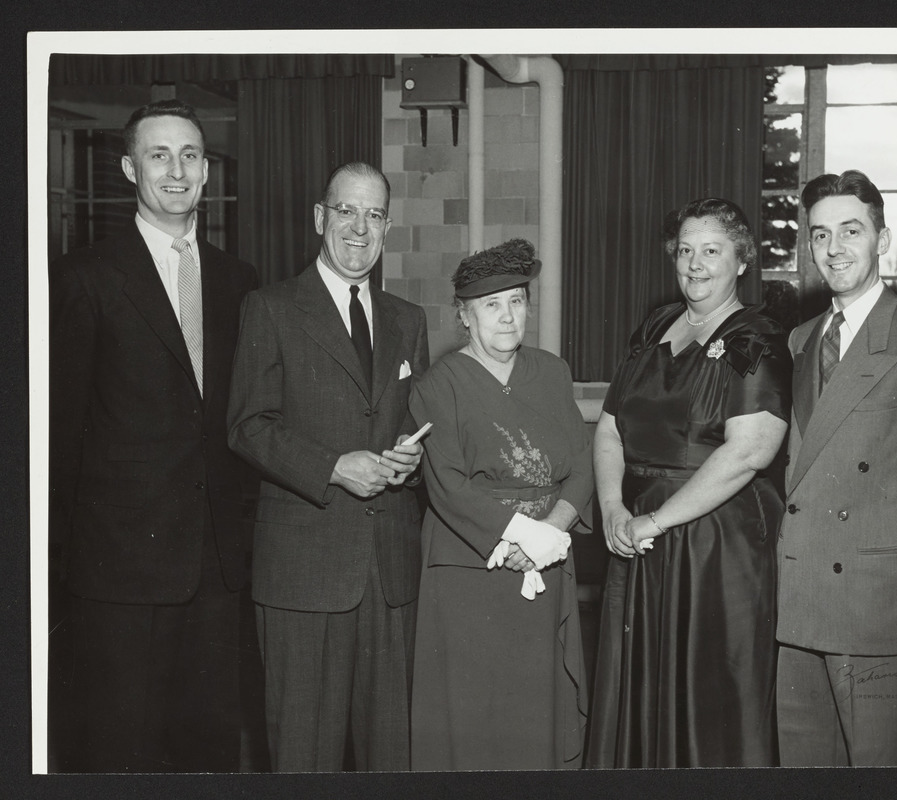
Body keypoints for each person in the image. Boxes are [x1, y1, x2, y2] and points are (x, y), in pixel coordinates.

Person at [48, 99, 259, 772]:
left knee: (209, 754)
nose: (177, 170)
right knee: (118, 753)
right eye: (159, 155)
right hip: (119, 574)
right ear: (127, 169)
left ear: (206, 171)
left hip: (218, 572)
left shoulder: (239, 281)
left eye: (190, 155)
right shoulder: (83, 279)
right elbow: (59, 436)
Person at [227, 162, 429, 772]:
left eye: (373, 215)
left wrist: (411, 460)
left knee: (390, 756)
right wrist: (334, 467)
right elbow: (247, 426)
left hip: (389, 572)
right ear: (321, 218)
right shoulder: (271, 308)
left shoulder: (408, 319)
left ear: (388, 227)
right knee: (303, 754)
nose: (359, 228)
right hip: (304, 571)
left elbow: (409, 428)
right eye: (346, 211)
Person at [586, 198, 792, 768]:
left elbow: (751, 451)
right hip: (637, 536)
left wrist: (654, 520)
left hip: (714, 541)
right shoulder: (655, 324)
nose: (695, 264)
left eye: (712, 251)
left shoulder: (758, 335)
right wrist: (610, 509)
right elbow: (609, 429)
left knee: (711, 693)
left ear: (742, 261)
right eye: (685, 251)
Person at [775, 170, 897, 766]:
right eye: (820, 235)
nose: (834, 249)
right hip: (800, 603)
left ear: (883, 238)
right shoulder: (800, 340)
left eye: (851, 231)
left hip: (880, 608)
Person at [408, 239, 592, 771]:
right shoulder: (437, 384)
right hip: (472, 569)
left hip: (546, 559)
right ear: (463, 316)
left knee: (535, 709)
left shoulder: (552, 371)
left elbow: (581, 465)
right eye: (491, 305)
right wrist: (519, 538)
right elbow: (446, 483)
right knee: (473, 718)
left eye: (517, 301)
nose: (507, 317)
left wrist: (548, 535)